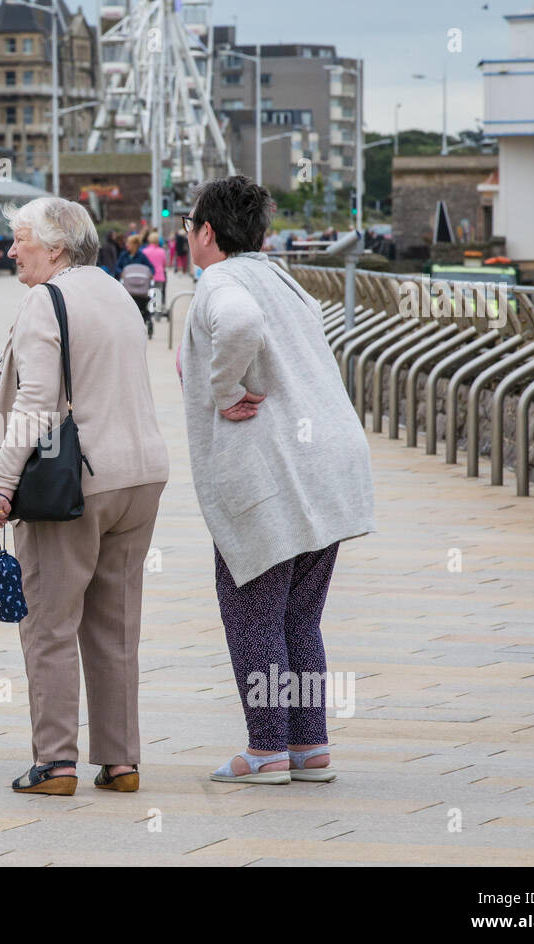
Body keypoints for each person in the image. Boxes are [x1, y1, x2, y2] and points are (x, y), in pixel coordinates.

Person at [179, 176, 375, 786]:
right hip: (331, 465)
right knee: (300, 618)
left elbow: (236, 325)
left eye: (190, 227)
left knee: (253, 612)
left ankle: (266, 750)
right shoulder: (289, 283)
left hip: (273, 472)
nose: (188, 237)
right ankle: (307, 744)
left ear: (207, 232)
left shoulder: (221, 282)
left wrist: (225, 389)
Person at [0, 197, 169, 795]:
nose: (12, 251)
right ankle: (120, 761)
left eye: (20, 240)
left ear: (55, 248)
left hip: (75, 483)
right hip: (139, 476)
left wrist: (2, 481)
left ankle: (56, 762)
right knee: (115, 626)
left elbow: (36, 402)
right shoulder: (116, 292)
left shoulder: (46, 299)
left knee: (50, 622)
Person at [142, 229, 168, 305]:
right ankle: (157, 316)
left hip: (148, 277)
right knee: (157, 297)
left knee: (148, 296)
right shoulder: (162, 251)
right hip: (159, 276)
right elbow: (164, 264)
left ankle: (149, 313)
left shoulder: (144, 251)